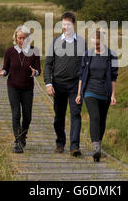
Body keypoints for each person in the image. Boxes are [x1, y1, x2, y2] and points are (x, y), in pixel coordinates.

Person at [44, 12, 86, 157]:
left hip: (76, 85)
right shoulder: (55, 42)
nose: (65, 27)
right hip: (58, 84)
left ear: (74, 25)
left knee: (75, 114)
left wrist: (82, 87)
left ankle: (75, 146)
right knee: (59, 116)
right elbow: (48, 64)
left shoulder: (81, 42)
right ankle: (60, 143)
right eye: (63, 24)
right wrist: (48, 84)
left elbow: (85, 65)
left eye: (68, 24)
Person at [76, 30, 118, 162]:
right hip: (90, 91)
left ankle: (98, 143)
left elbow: (113, 78)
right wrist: (79, 93)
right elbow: (82, 76)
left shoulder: (112, 56)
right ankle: (95, 147)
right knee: (94, 117)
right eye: (94, 44)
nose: (96, 47)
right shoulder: (88, 55)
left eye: (98, 44)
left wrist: (113, 95)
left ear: (103, 42)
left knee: (102, 120)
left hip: (104, 92)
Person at [0, 25, 41, 153]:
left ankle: (23, 136)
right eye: (19, 38)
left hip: (27, 88)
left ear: (28, 38)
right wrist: (2, 72)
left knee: (27, 116)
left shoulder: (34, 51)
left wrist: (35, 72)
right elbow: (6, 68)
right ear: (15, 38)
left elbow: (38, 70)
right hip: (13, 87)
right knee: (16, 114)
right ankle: (17, 141)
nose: (21, 40)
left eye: (24, 38)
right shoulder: (10, 51)